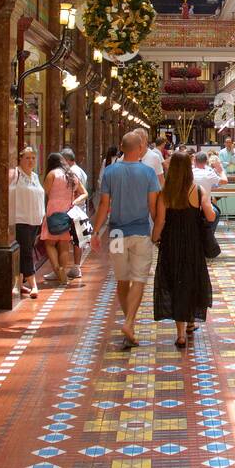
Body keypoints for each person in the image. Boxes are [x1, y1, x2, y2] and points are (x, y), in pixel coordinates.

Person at [92, 130, 159, 348]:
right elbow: (152, 206)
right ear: (140, 148)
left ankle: (128, 322)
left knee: (122, 278)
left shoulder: (110, 172)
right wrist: (158, 229)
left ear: (121, 147)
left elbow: (104, 205)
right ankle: (129, 322)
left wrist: (95, 231)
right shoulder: (148, 173)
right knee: (138, 278)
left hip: (117, 233)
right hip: (140, 232)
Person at [152, 151, 214, 348]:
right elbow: (211, 216)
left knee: (176, 283)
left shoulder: (165, 194)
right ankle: (191, 322)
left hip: (171, 244)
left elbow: (160, 221)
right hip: (193, 244)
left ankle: (180, 334)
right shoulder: (197, 191)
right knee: (190, 280)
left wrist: (154, 239)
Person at [42, 153, 86, 286]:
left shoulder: (52, 174)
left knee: (50, 243)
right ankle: (63, 270)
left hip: (53, 211)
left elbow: (46, 192)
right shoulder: (72, 175)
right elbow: (84, 193)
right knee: (64, 244)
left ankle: (57, 268)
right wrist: (75, 200)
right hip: (68, 212)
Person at [8, 146, 45, 298]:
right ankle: (33, 285)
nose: (30, 161)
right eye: (27, 158)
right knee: (27, 253)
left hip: (34, 220)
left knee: (26, 251)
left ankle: (19, 283)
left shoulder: (35, 176)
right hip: (20, 219)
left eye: (33, 158)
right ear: (20, 159)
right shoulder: (15, 174)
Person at [61, 147, 89, 280]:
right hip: (80, 209)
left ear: (66, 160)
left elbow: (77, 191)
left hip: (73, 210)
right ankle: (75, 267)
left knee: (72, 239)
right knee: (78, 239)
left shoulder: (71, 172)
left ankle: (67, 268)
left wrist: (72, 202)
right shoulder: (81, 170)